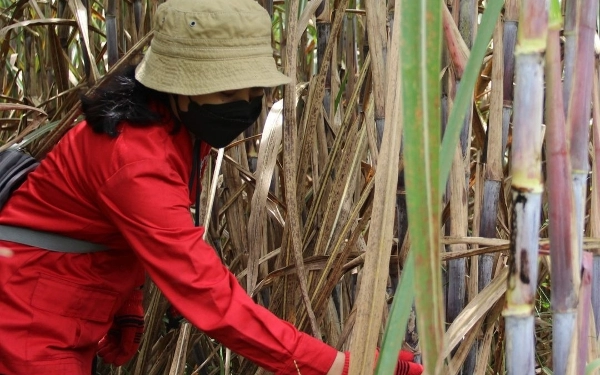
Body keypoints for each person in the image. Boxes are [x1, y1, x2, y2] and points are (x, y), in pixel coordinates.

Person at [0, 0, 423, 374]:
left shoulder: (174, 124)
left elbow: (111, 231)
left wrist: (125, 307)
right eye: (225, 92)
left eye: (254, 91)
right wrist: (335, 367)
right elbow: (210, 299)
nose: (243, 106)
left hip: (61, 309)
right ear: (177, 87)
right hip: (26, 319)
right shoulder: (133, 158)